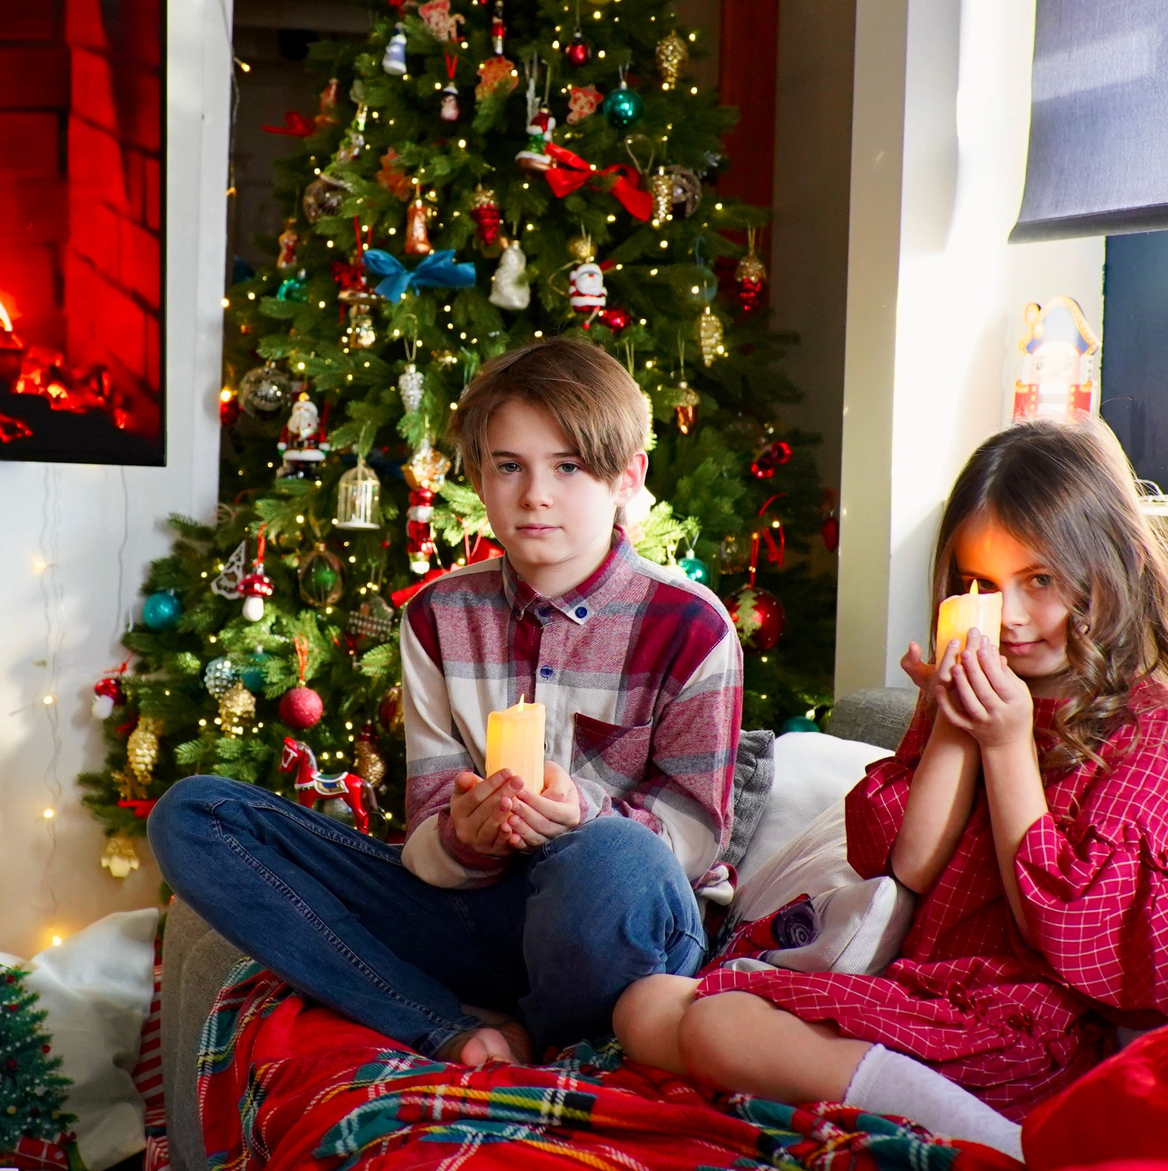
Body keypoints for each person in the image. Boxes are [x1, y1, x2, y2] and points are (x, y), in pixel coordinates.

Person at [614, 419, 1168, 1156]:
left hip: (1023, 1023)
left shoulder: (1152, 721)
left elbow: (1065, 933)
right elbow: (905, 866)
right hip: (921, 989)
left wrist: (1007, 744)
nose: (1014, 617)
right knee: (643, 1008)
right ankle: (879, 1100)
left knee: (717, 1025)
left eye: (1041, 581)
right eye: (985, 585)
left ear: (1106, 571)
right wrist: (954, 728)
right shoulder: (971, 686)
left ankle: (1007, 1146)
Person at [149, 338, 743, 1067]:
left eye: (568, 467)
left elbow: (697, 835)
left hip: (621, 927)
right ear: (478, 476)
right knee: (196, 813)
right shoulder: (437, 615)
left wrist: (581, 816)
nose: (535, 496)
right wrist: (466, 834)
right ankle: (441, 1024)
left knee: (612, 856)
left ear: (627, 478)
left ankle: (544, 1029)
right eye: (509, 466)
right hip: (481, 918)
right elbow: (426, 841)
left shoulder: (691, 623)